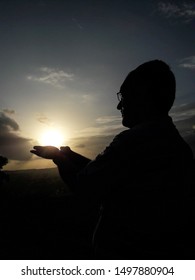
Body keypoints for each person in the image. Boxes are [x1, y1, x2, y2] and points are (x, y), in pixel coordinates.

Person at [31, 60, 194, 259]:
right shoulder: (178, 146)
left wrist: (58, 158)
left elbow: (84, 185)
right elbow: (109, 172)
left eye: (123, 96)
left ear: (141, 96)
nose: (119, 105)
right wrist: (70, 155)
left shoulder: (134, 141)